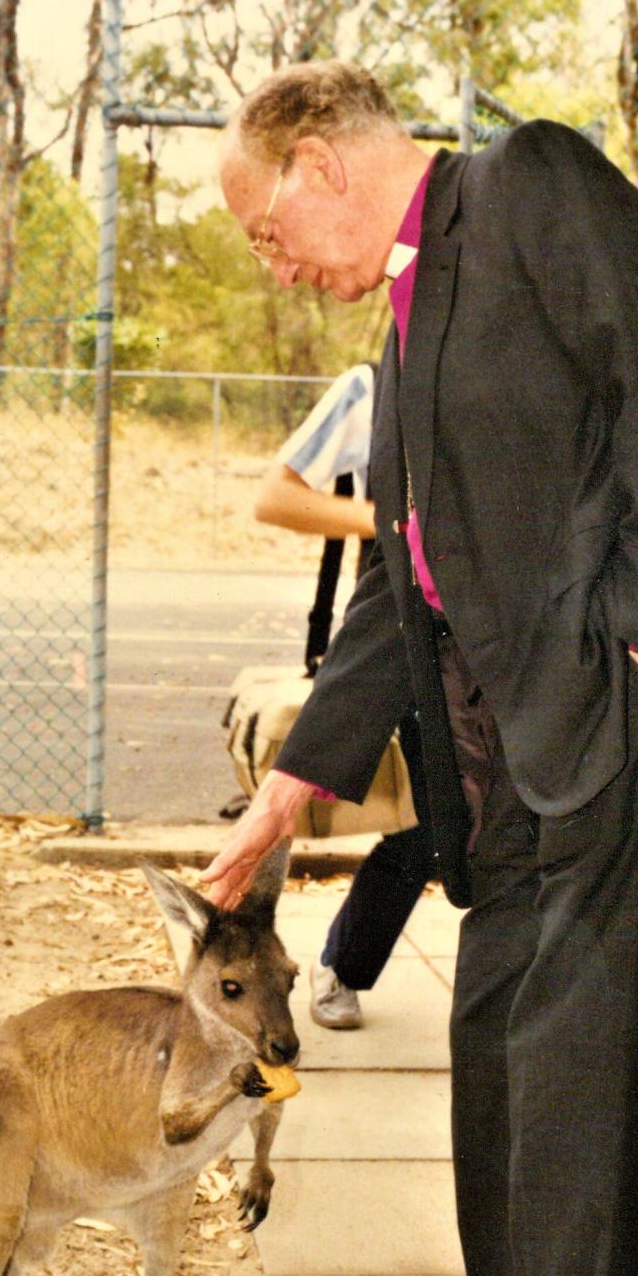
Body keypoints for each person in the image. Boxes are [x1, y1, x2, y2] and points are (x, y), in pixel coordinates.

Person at [208, 61, 638, 1276]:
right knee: (500, 1070)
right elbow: (404, 584)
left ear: (321, 161)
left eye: (268, 229)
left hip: (625, 719)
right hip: (508, 761)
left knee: (575, 1099)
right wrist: (289, 791)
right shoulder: (402, 324)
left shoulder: (530, 186)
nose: (276, 263)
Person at [254, 363, 436, 1029]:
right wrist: (399, 526)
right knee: (429, 830)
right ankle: (344, 965)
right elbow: (276, 496)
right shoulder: (370, 386)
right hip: (399, 634)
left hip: (503, 642)